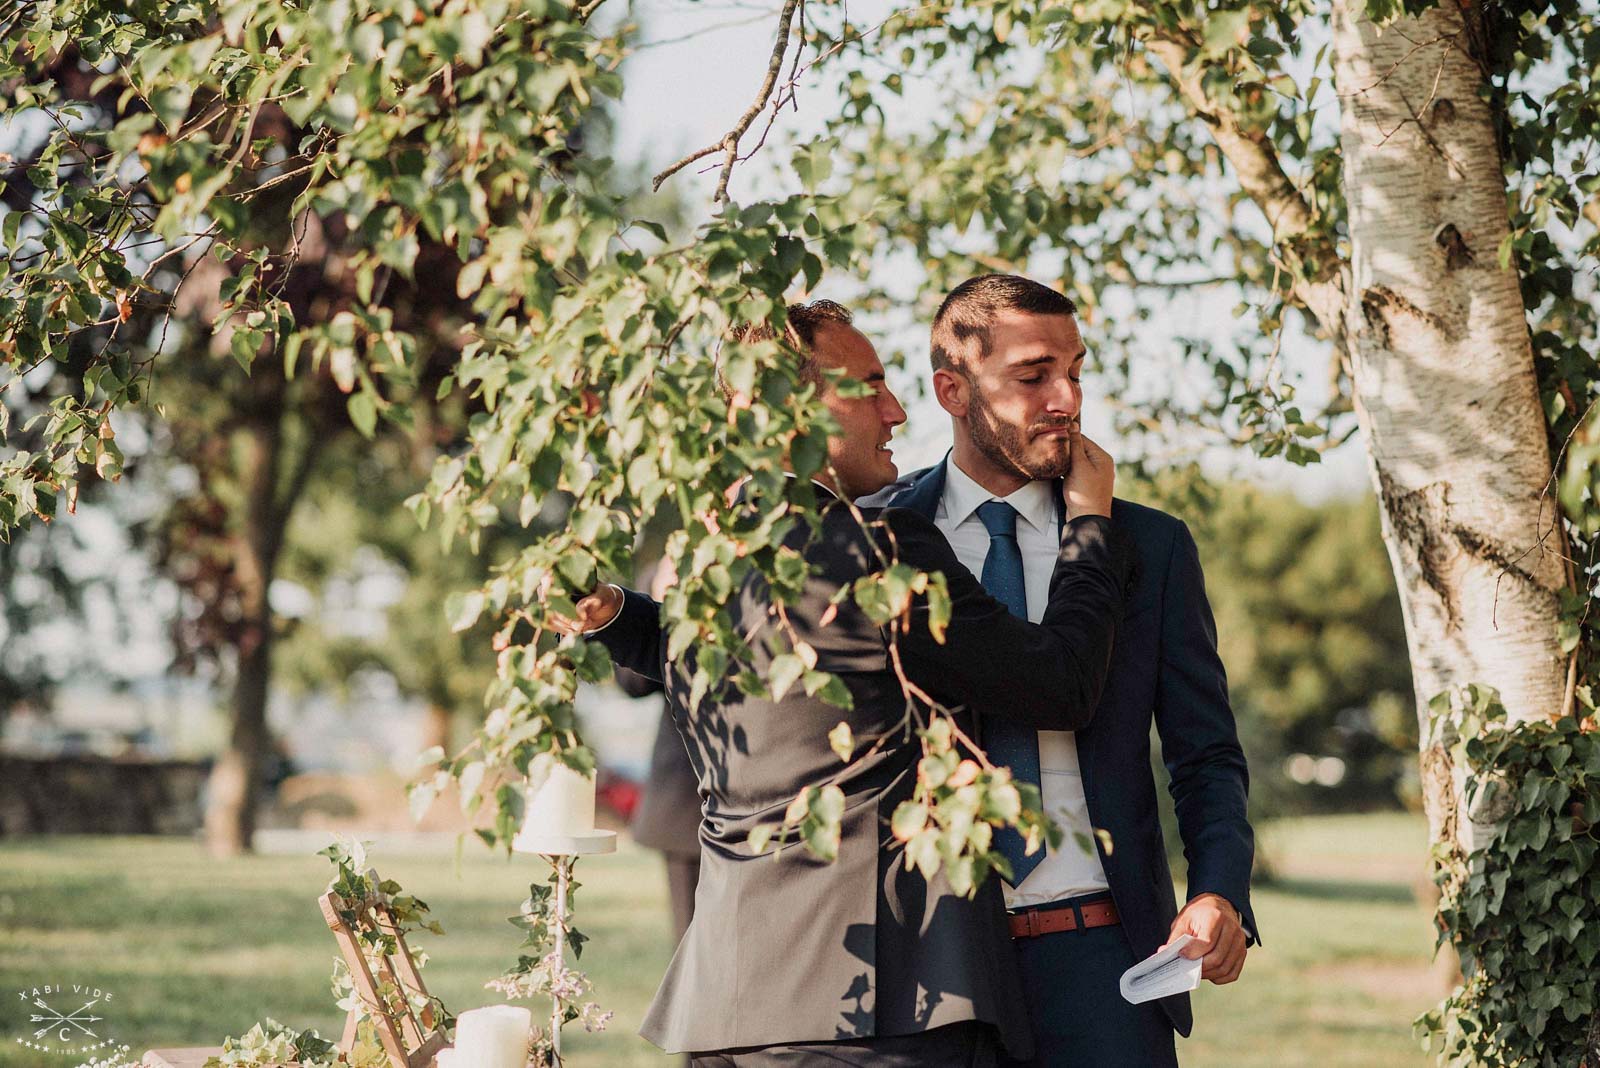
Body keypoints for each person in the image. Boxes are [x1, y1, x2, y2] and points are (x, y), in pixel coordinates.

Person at [556, 300, 1136, 1067]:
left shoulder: (711, 553)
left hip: (727, 1006)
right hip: (882, 1005)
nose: (895, 411)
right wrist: (1090, 526)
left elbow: (750, 681)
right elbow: (1058, 684)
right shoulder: (881, 548)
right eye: (867, 387)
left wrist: (619, 616)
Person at [862, 274, 1257, 1067]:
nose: (1067, 399)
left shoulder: (1152, 547)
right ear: (953, 389)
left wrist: (1219, 891)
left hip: (1105, 965)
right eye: (1034, 375)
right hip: (931, 969)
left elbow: (1205, 753)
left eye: (1076, 371)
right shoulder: (877, 541)